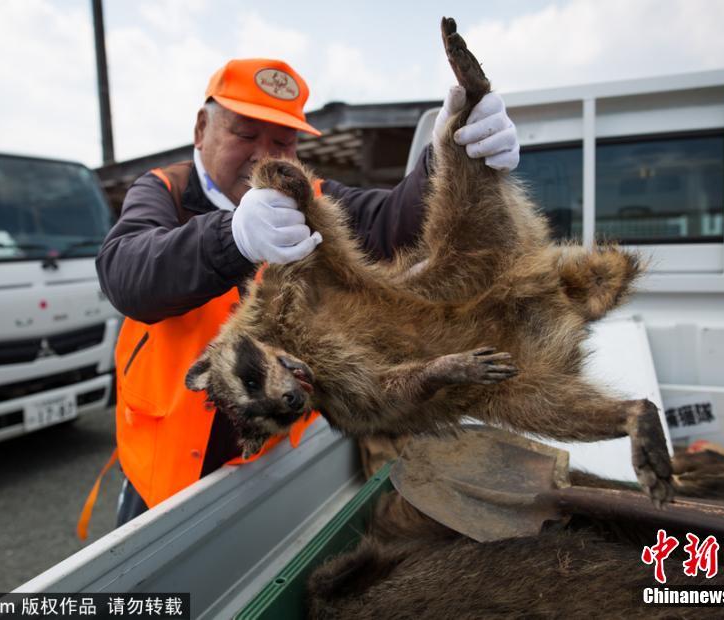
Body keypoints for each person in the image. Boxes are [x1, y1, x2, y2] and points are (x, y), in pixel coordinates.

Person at [94, 58, 520, 527]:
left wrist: (447, 157)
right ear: (201, 128)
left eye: (281, 141)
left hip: (273, 463)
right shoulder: (163, 192)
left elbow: (391, 221)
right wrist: (230, 237)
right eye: (244, 134)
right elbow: (126, 273)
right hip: (164, 473)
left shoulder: (308, 197)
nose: (262, 155)